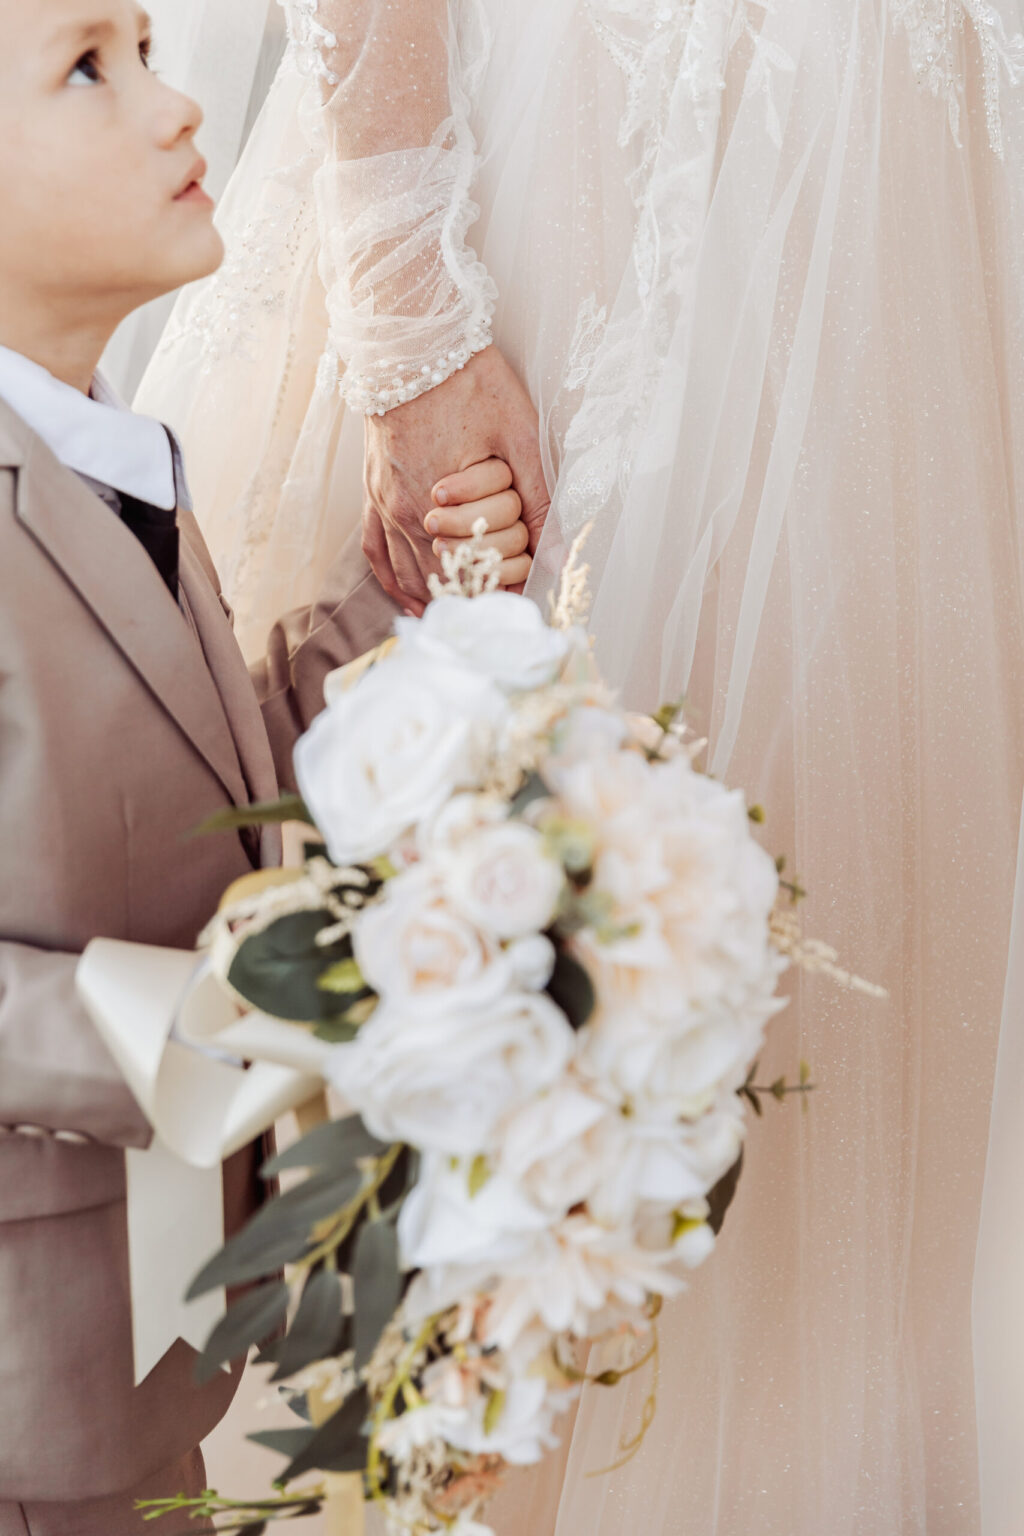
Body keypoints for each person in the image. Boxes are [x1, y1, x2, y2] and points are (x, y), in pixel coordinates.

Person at [137, 3, 1024, 1534]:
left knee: (884, 1035)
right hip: (610, 175)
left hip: (937, 185)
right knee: (556, 1031)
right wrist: (411, 309)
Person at [0, 4, 522, 1531]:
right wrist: (231, 1017)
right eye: (87, 69)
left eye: (151, 52)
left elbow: (197, 769)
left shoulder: (105, 452)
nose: (176, 108)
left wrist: (413, 601)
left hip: (124, 1354)